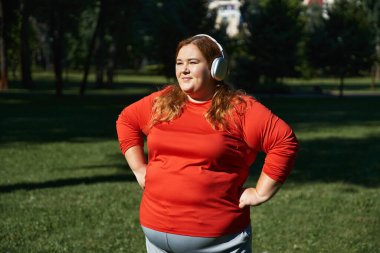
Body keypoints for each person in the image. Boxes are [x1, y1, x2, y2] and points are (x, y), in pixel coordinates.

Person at [116, 34, 298, 253]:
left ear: (216, 69)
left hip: (218, 241)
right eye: (179, 63)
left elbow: (284, 141)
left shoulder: (239, 108)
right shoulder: (162, 101)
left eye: (192, 62)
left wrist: (261, 193)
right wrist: (138, 168)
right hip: (155, 233)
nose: (184, 69)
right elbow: (127, 120)